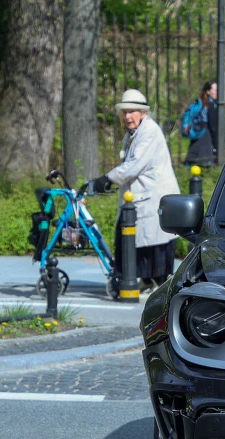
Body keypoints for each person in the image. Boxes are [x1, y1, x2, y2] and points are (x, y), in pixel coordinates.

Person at [90, 89, 181, 301]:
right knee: (135, 240)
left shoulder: (149, 131)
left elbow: (133, 166)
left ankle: (154, 284)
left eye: (132, 112)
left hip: (151, 197)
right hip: (139, 197)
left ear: (142, 112)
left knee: (151, 243)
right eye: (125, 112)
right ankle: (144, 279)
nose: (128, 116)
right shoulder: (134, 133)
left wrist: (106, 179)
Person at [182, 81, 217, 167]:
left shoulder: (201, 102)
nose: (217, 92)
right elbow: (213, 126)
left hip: (198, 133)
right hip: (206, 135)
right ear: (208, 91)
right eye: (215, 89)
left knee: (193, 160)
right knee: (205, 161)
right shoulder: (211, 104)